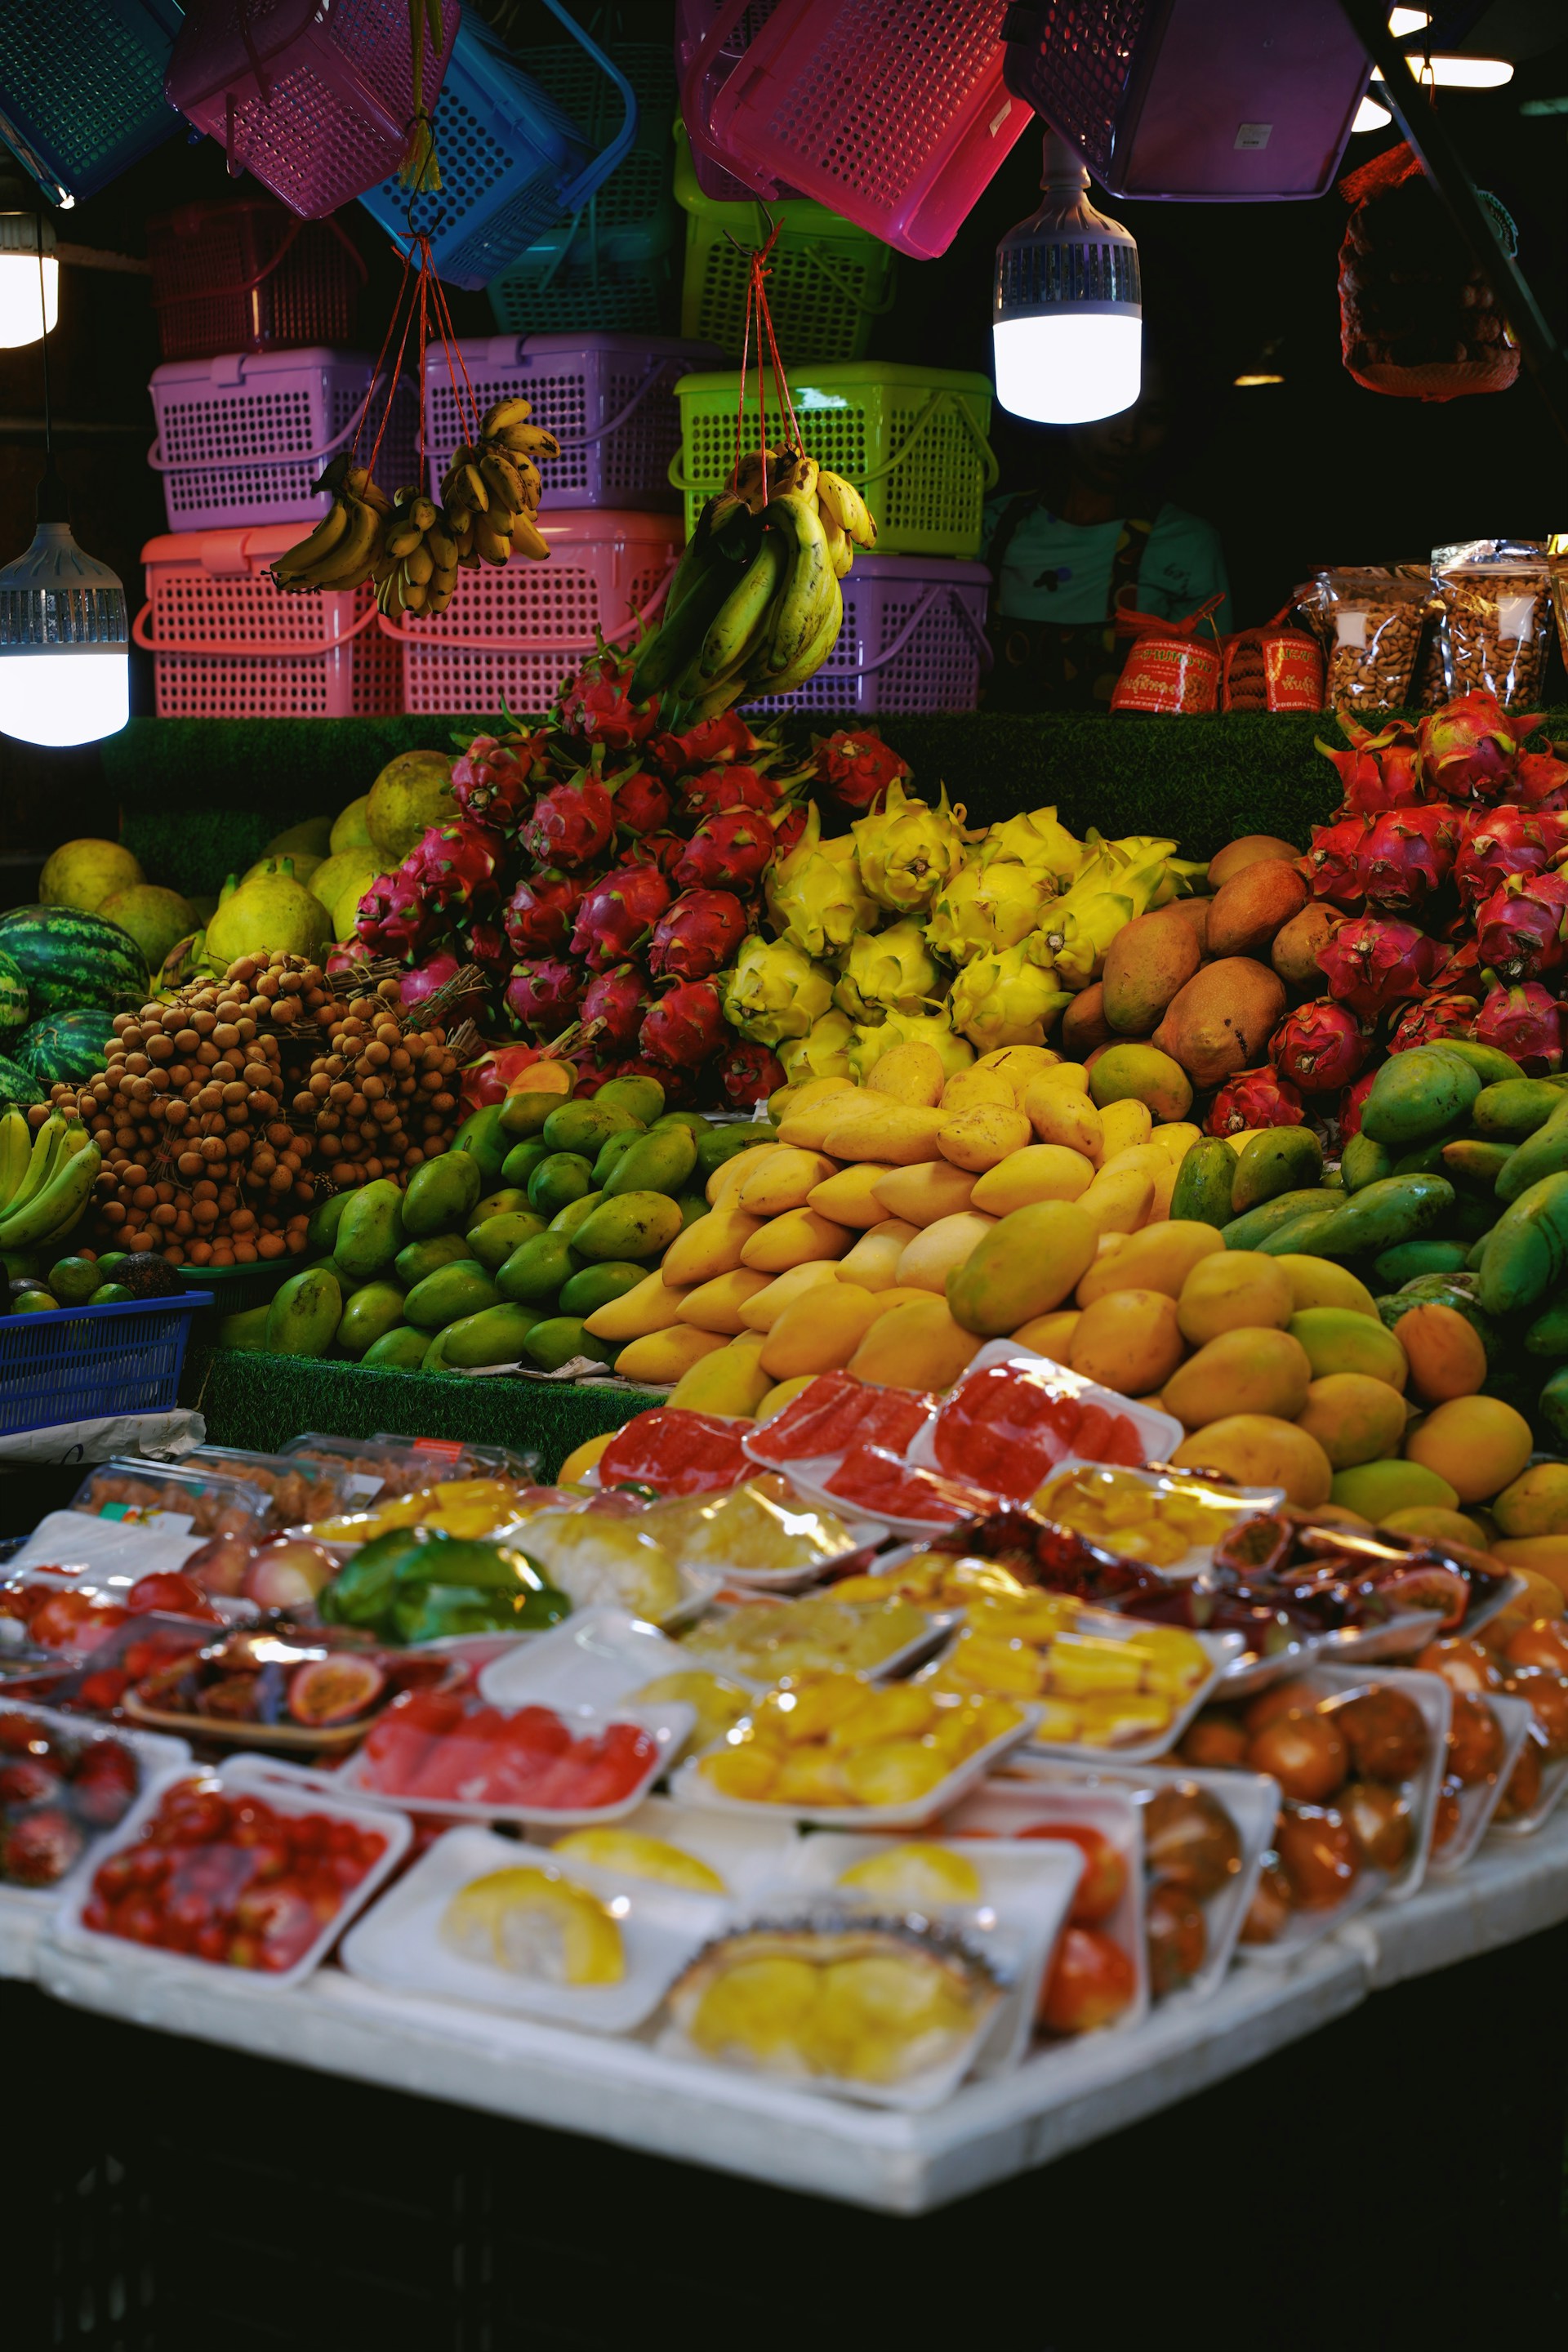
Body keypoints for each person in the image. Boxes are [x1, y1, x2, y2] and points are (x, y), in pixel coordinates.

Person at [982, 352, 1231, 711]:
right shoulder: (992, 525)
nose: (1127, 435)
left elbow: (1209, 690)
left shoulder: (1189, 544)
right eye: (1113, 408)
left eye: (1152, 417)